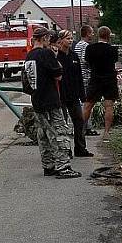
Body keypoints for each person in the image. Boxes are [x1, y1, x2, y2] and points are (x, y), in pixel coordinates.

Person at [24, 26, 81, 179]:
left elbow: (26, 82)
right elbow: (58, 75)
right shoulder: (46, 54)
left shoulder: (29, 56)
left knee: (43, 134)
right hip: (50, 99)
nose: (50, 42)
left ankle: (48, 165)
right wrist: (57, 63)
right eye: (49, 39)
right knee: (59, 131)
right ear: (43, 39)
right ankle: (63, 166)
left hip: (37, 100)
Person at [56, 29, 93, 158]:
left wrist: (82, 95)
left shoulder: (74, 56)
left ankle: (80, 148)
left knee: (79, 121)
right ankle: (65, 150)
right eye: (68, 39)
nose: (70, 41)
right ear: (61, 40)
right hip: (61, 95)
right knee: (63, 123)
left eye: (71, 39)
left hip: (74, 95)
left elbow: (79, 77)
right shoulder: (56, 57)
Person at [82, 26, 119, 141]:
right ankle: (107, 132)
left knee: (88, 105)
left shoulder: (90, 48)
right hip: (109, 80)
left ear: (98, 35)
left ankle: (81, 129)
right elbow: (114, 61)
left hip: (95, 79)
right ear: (108, 36)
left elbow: (86, 62)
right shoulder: (113, 50)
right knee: (109, 106)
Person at [74, 25, 99, 136]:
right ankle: (84, 127)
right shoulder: (86, 46)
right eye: (92, 33)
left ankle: (86, 126)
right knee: (87, 103)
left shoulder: (77, 45)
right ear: (87, 33)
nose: (93, 35)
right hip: (86, 77)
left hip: (79, 76)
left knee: (84, 103)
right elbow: (85, 60)